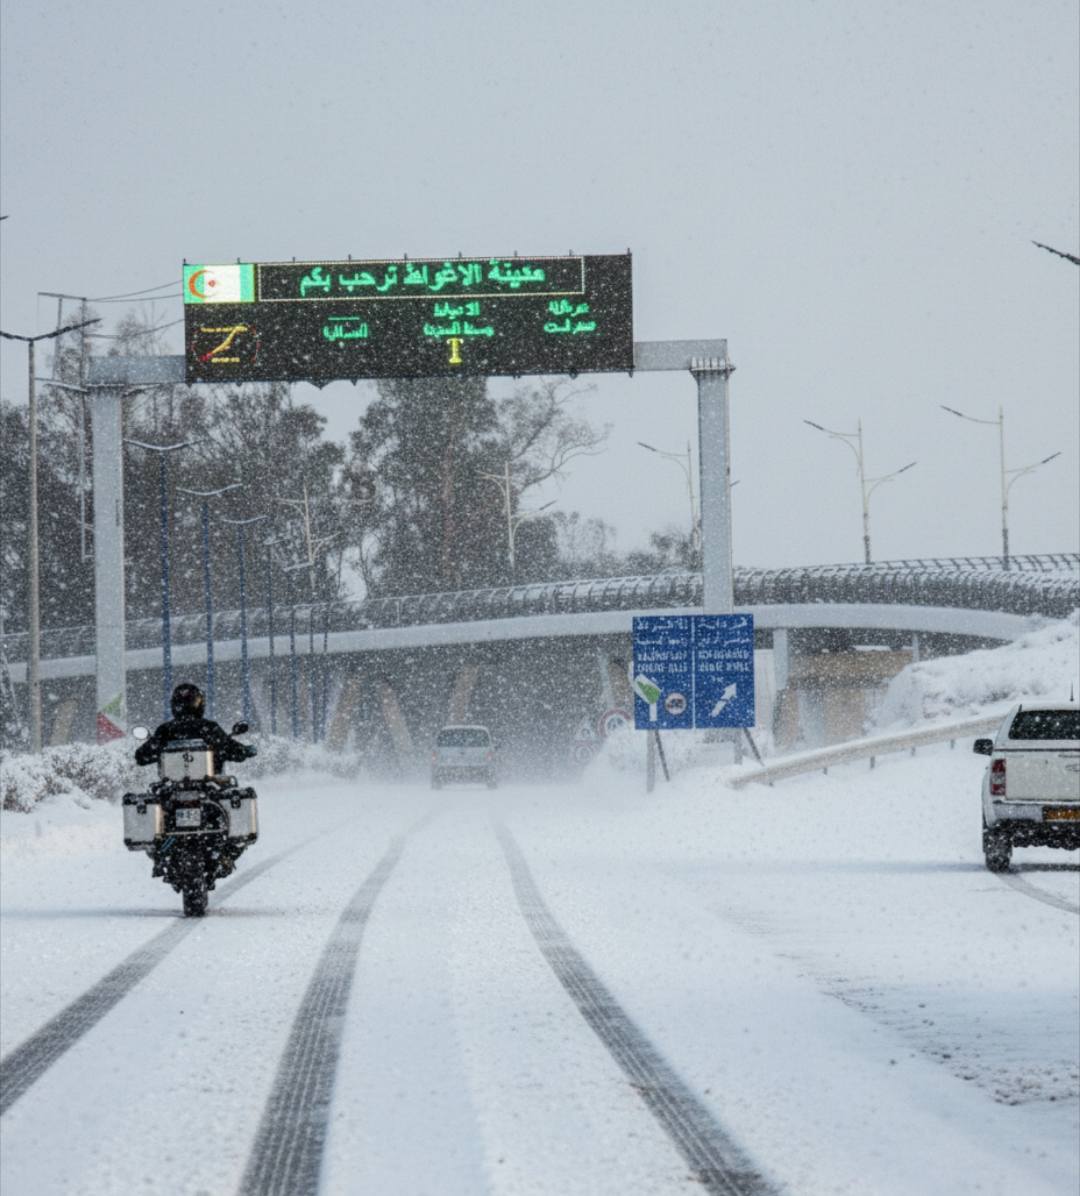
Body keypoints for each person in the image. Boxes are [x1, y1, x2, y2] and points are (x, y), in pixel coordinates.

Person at [135, 682, 257, 773]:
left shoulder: (165, 730)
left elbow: (142, 756)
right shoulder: (209, 728)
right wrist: (246, 750)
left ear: (174, 704)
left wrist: (152, 751)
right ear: (199, 704)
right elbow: (230, 748)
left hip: (171, 788)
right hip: (210, 787)